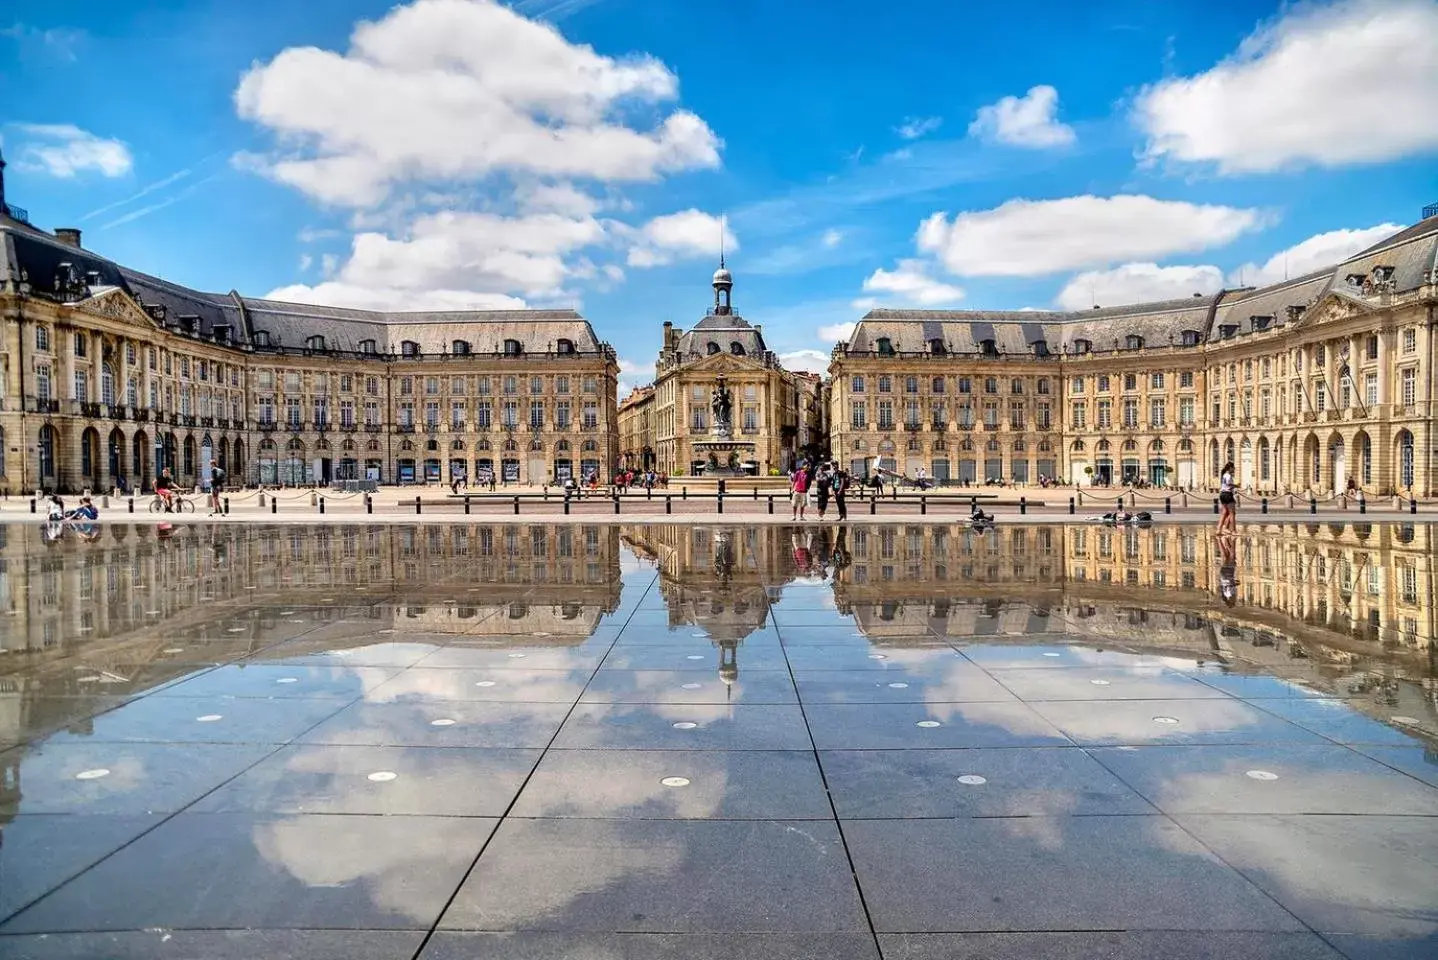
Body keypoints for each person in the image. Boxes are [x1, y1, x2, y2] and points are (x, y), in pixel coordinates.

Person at [1217, 460, 1237, 534]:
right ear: (1230, 468)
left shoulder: (1224, 475)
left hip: (1222, 494)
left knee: (1224, 513)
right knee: (1232, 513)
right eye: (1233, 468)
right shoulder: (1228, 476)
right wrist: (1236, 485)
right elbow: (1229, 485)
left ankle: (1219, 529)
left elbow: (1224, 485)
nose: (1234, 469)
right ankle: (1234, 530)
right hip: (1228, 494)